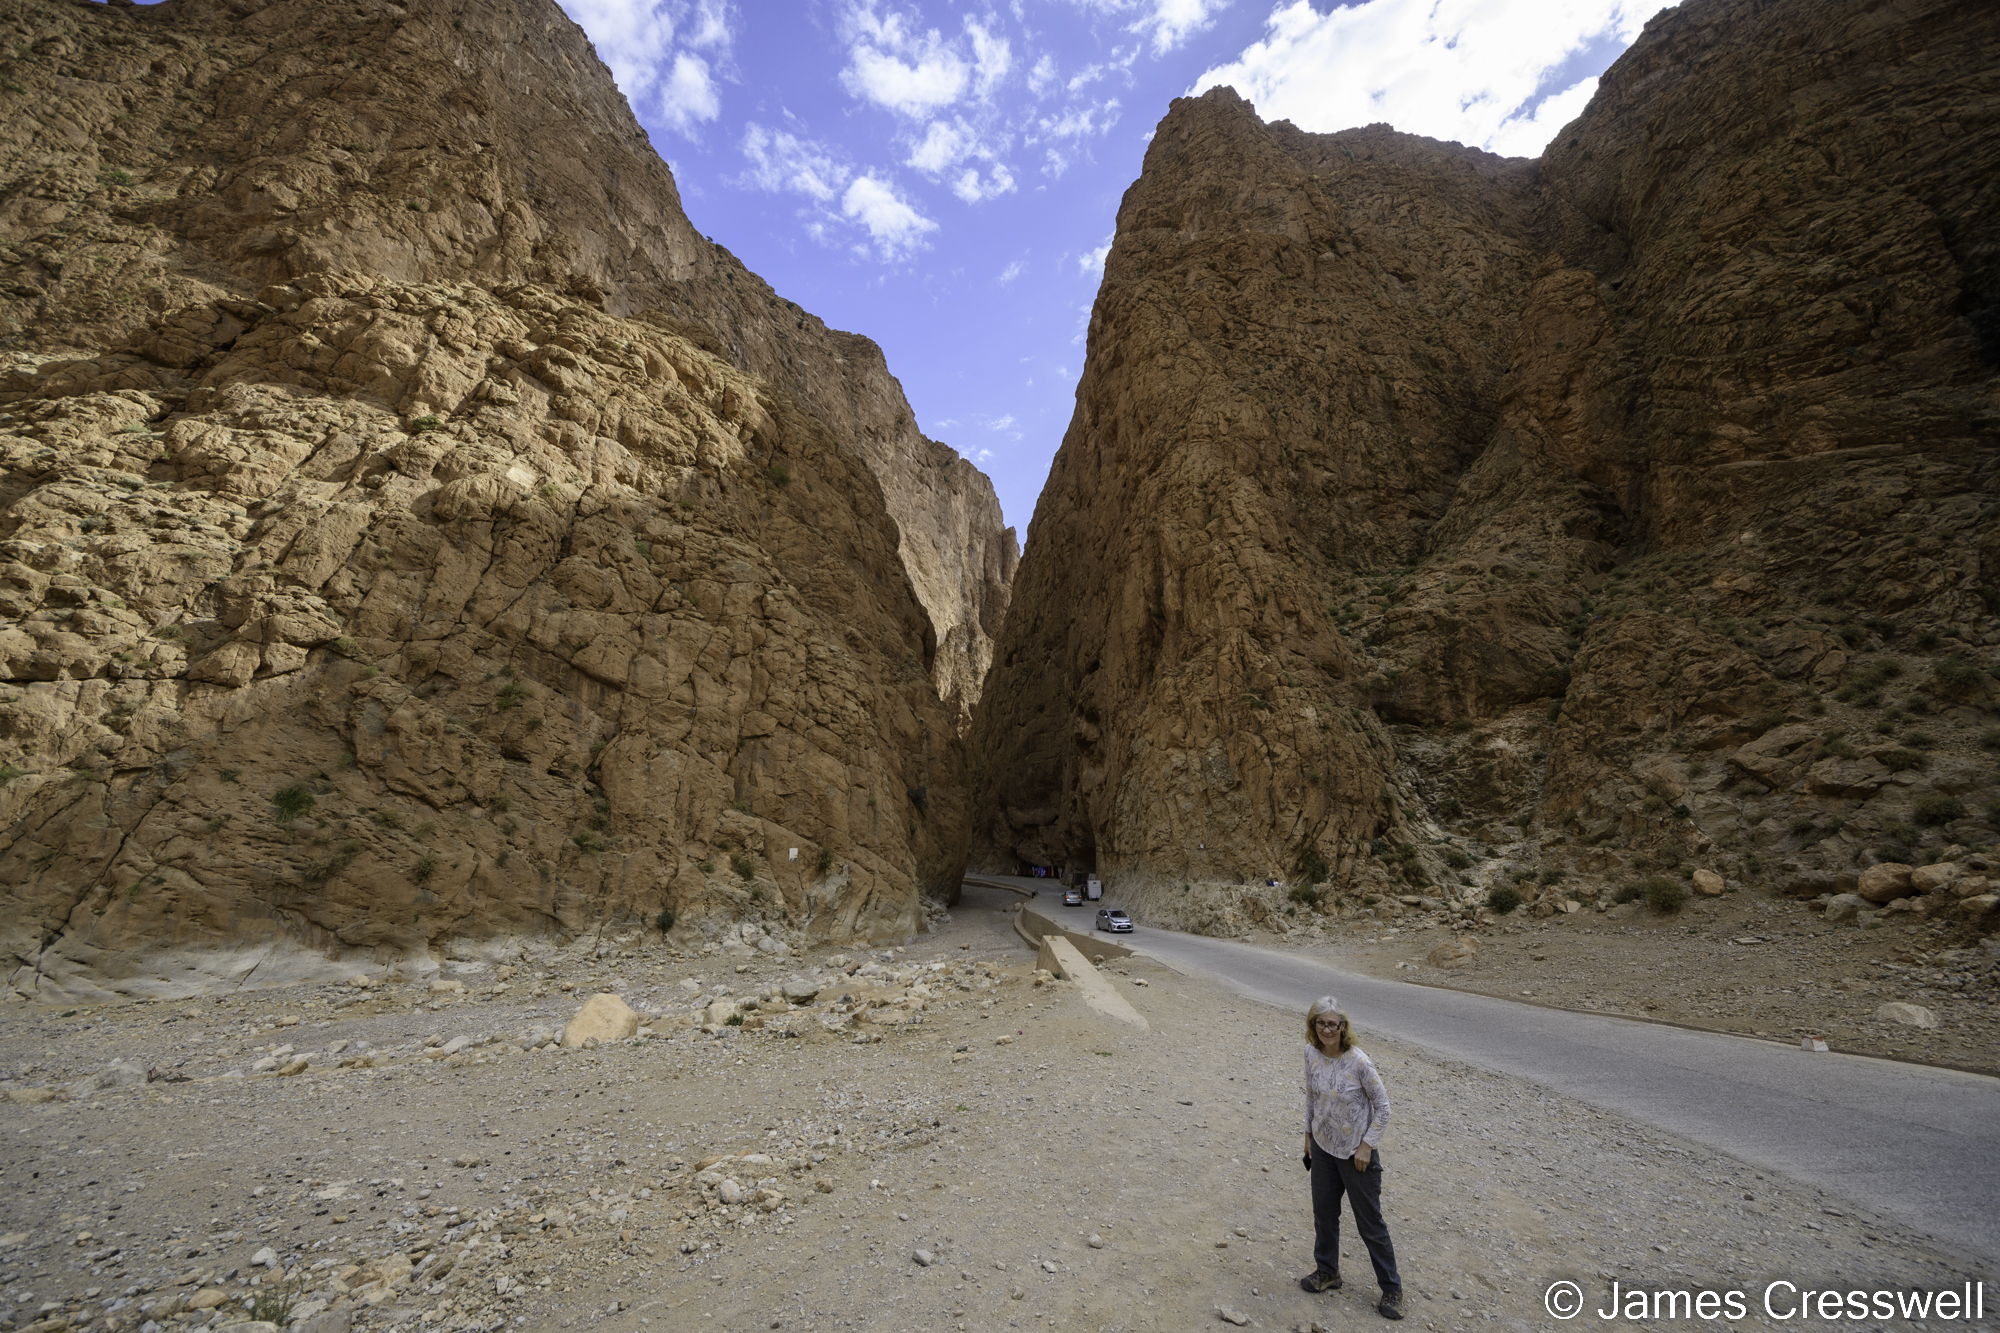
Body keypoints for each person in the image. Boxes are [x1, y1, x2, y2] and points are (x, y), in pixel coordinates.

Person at [1299, 996, 1403, 1320]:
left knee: (1370, 1224)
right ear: (1313, 1025)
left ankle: (1392, 1289)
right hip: (1323, 1149)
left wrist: (1367, 1145)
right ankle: (1327, 1271)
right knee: (1324, 1215)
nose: (1327, 1029)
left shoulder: (1358, 1061)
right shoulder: (1311, 1054)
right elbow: (1311, 1096)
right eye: (1321, 1023)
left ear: (1343, 1027)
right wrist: (1307, 1136)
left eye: (1333, 1023)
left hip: (1356, 1156)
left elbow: (1384, 1108)